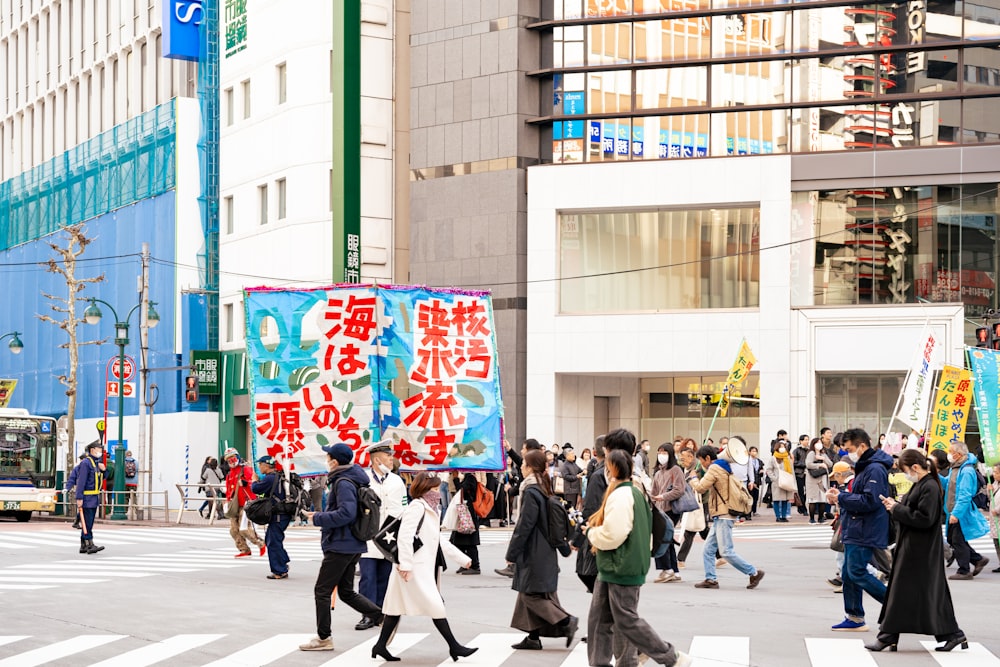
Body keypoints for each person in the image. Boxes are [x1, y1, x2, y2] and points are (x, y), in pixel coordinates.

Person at [585, 448, 692, 667]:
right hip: (619, 564)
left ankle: (670, 656)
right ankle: (600, 663)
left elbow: (613, 535)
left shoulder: (623, 494)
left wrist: (591, 533)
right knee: (600, 621)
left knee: (625, 620)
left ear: (612, 467)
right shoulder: (636, 489)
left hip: (620, 565)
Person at [865, 449, 970, 653]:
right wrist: (896, 505)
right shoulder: (923, 484)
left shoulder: (928, 486)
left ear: (914, 467)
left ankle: (890, 636)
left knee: (915, 593)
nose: (905, 474)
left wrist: (897, 509)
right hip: (915, 548)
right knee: (921, 593)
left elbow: (924, 518)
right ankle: (893, 635)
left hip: (919, 550)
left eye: (905, 470)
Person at [370, 472, 478, 662]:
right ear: (424, 490)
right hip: (412, 569)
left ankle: (380, 646)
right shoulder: (417, 507)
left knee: (395, 608)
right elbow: (404, 536)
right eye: (434, 489)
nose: (438, 493)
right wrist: (405, 565)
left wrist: (462, 559)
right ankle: (454, 647)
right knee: (435, 606)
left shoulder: (430, 509)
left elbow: (437, 540)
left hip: (416, 568)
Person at [299, 443, 382, 652]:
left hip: (341, 544)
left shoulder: (343, 482)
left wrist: (317, 517)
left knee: (322, 591)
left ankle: (324, 638)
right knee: (345, 591)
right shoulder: (350, 478)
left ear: (334, 461)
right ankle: (382, 616)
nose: (326, 461)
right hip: (350, 543)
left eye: (328, 457)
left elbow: (347, 513)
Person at [507, 449, 579, 651]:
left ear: (530, 467)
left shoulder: (531, 490)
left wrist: (512, 553)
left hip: (535, 549)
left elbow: (525, 525)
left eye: (523, 465)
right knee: (535, 592)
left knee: (531, 594)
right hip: (544, 549)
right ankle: (533, 636)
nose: (521, 467)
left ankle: (566, 621)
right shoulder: (542, 485)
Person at [825, 428, 892, 631]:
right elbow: (862, 495)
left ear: (862, 446)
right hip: (857, 527)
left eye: (849, 449)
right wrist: (842, 494)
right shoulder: (866, 466)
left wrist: (842, 497)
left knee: (856, 571)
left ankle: (895, 606)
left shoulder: (874, 469)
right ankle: (854, 617)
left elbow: (871, 501)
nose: (847, 453)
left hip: (864, 528)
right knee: (848, 573)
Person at [689, 443, 765, 590]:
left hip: (724, 514)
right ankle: (710, 579)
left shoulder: (714, 468)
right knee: (708, 549)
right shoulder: (722, 466)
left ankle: (753, 572)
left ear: (707, 458)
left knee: (726, 551)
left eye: (701, 460)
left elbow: (700, 487)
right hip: (722, 514)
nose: (701, 464)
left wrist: (693, 478)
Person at [356, 440, 407, 630]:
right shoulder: (363, 478)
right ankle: (368, 614)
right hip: (368, 535)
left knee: (385, 576)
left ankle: (383, 612)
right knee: (367, 576)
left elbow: (403, 507)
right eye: (388, 456)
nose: (391, 459)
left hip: (390, 535)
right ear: (377, 460)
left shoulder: (396, 480)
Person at [940, 440, 990, 580]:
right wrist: (934, 475)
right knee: (953, 538)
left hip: (961, 511)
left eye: (951, 452)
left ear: (959, 454)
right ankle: (977, 559)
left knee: (957, 540)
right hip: (954, 509)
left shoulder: (966, 470)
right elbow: (947, 484)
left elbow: (965, 494)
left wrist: (956, 513)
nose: (949, 455)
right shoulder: (955, 468)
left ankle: (964, 571)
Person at [251, 455, 291, 580]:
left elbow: (255, 489)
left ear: (266, 465)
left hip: (279, 514)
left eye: (260, 464)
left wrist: (254, 480)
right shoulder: (279, 476)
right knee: (272, 539)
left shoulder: (270, 478)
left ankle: (279, 570)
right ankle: (283, 562)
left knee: (273, 541)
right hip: (283, 514)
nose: (259, 467)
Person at [651, 444, 686, 583]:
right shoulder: (658, 472)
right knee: (668, 540)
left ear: (670, 454)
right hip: (660, 509)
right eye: (659, 452)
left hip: (672, 509)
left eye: (664, 452)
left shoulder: (676, 470)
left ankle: (667, 570)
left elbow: (679, 490)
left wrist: (663, 496)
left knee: (661, 539)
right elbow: (653, 491)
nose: (661, 455)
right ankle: (674, 571)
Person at [223, 447, 266, 558]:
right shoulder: (229, 474)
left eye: (233, 459)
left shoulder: (245, 469)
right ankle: (244, 549)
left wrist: (246, 483)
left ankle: (261, 543)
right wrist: (227, 501)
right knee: (233, 530)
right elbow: (228, 490)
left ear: (237, 457)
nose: (231, 462)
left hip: (247, 503)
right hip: (234, 504)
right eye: (229, 460)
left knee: (244, 529)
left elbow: (254, 483)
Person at [676, 444, 710, 568]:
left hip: (700, 502)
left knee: (690, 530)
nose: (681, 461)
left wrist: (694, 478)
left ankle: (680, 559)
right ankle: (720, 554)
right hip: (689, 501)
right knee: (702, 530)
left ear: (691, 457)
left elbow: (704, 486)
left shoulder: (699, 468)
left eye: (683, 459)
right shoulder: (686, 468)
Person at [75, 441, 107, 554]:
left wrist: (103, 470)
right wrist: (79, 497)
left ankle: (83, 545)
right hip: (87, 497)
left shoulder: (96, 462)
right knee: (87, 522)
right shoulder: (86, 463)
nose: (101, 451)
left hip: (94, 497)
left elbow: (103, 477)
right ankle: (89, 544)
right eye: (99, 449)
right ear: (92, 450)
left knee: (89, 521)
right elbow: (81, 481)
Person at [450, 471, 483, 574]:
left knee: (470, 542)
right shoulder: (468, 477)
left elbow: (461, 491)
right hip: (464, 513)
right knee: (460, 541)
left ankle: (475, 566)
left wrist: (456, 479)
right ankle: (466, 563)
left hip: (468, 514)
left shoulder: (471, 478)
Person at [805, 438, 833, 524]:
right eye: (817, 442)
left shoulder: (823, 453)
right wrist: (819, 464)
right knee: (813, 499)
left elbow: (830, 464)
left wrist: (823, 458)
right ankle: (812, 519)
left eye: (820, 442)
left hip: (823, 478)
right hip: (813, 479)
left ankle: (821, 518)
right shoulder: (811, 453)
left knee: (822, 498)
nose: (819, 444)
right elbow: (808, 464)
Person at [792, 434, 810, 515]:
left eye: (807, 439)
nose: (807, 441)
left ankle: (802, 506)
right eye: (805, 439)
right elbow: (794, 462)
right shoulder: (796, 450)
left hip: (809, 474)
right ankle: (802, 508)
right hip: (799, 474)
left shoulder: (810, 450)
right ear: (801, 441)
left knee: (808, 491)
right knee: (800, 492)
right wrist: (804, 464)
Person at [989, 462, 1000, 572]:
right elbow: (991, 498)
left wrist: (997, 510)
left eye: (996, 472)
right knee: (996, 541)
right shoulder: (995, 483)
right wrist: (990, 490)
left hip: (998, 515)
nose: (994, 474)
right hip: (995, 518)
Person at [123, 449, 139, 519]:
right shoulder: (136, 462)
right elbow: (138, 470)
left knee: (126, 497)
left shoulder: (123, 462)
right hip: (134, 483)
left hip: (126, 482)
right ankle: (136, 510)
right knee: (134, 497)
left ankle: (125, 510)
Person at [747, 446, 763, 517]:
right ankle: (748, 511)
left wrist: (762, 472)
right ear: (749, 452)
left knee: (756, 497)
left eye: (755, 451)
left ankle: (754, 510)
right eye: (752, 451)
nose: (754, 452)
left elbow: (761, 469)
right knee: (750, 496)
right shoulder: (747, 460)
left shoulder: (759, 461)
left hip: (757, 481)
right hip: (750, 481)